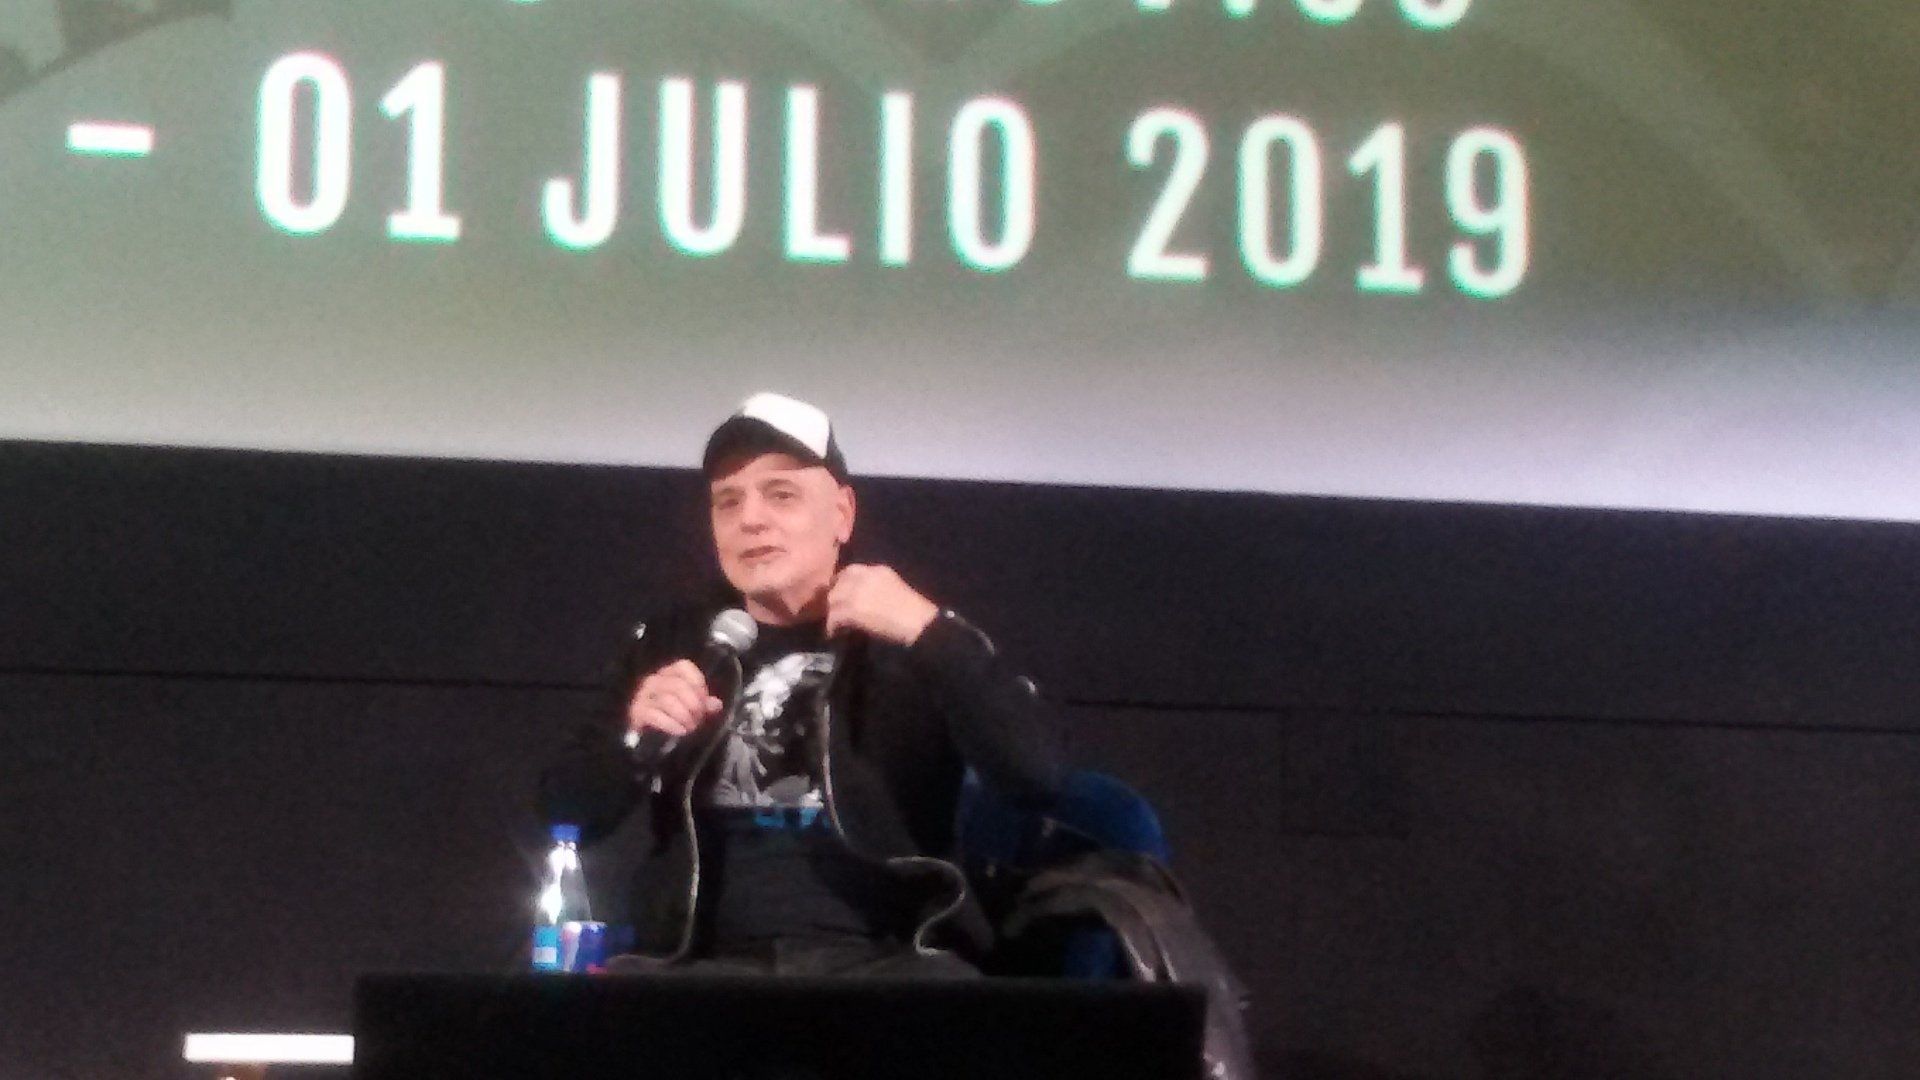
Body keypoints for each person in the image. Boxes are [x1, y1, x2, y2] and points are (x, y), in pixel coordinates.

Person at [540, 392, 1063, 977]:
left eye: (781, 494)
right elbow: (565, 812)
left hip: (889, 960)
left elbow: (1035, 778)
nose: (751, 519)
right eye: (728, 502)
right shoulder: (674, 642)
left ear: (842, 513)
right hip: (702, 965)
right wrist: (634, 741)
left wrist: (931, 634)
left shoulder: (908, 636)